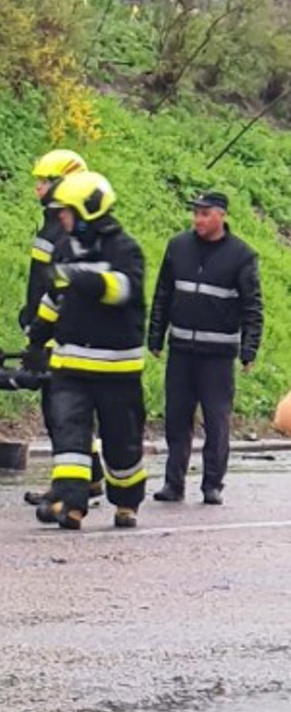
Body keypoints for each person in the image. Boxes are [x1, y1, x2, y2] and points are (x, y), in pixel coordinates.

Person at [25, 171, 147, 530]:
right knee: (70, 439)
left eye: (66, 212)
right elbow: (54, 299)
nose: (61, 218)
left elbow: (124, 289)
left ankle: (126, 502)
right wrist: (36, 336)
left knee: (122, 444)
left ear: (88, 209)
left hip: (117, 371)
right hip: (70, 365)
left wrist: (80, 278)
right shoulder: (65, 247)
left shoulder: (125, 250)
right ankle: (72, 503)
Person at [148, 191, 263, 506]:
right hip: (182, 350)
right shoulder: (178, 247)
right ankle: (174, 484)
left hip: (217, 356)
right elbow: (163, 294)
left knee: (216, 421)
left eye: (204, 213)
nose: (197, 219)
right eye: (195, 213)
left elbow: (253, 307)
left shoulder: (242, 256)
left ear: (221, 215)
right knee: (176, 418)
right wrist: (155, 336)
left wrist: (249, 349)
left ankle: (212, 484)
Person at [20, 149, 105, 507]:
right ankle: (92, 476)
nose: (38, 188)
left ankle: (70, 484)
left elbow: (58, 288)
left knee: (63, 412)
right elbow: (38, 280)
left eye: (45, 181)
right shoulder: (54, 225)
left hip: (64, 333)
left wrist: (39, 325)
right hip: (49, 327)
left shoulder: (72, 230)